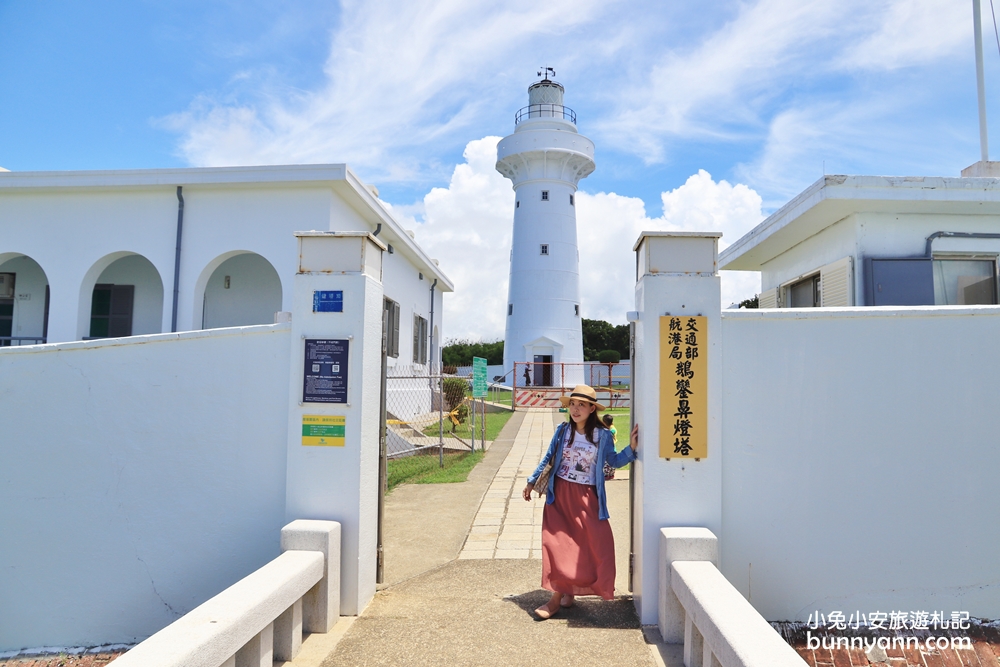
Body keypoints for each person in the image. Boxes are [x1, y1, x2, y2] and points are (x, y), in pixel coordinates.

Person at [521, 384, 639, 619]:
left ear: (592, 408)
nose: (575, 409)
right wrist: (531, 481)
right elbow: (548, 457)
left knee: (595, 545)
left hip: (586, 498)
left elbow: (613, 462)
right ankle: (556, 598)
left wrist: (632, 449)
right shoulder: (562, 431)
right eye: (572, 405)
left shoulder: (602, 435)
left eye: (581, 405)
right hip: (560, 495)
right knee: (558, 545)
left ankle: (572, 590)